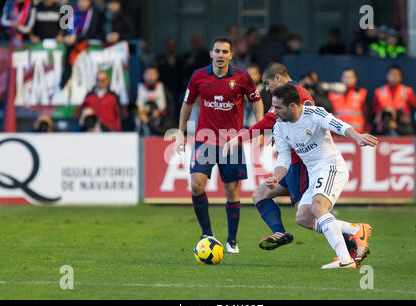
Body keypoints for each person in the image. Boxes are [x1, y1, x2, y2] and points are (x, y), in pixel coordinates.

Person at [223, 63, 361, 263]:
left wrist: (238, 138)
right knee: (262, 194)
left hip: (303, 164)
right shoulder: (286, 99)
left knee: (307, 214)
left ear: (278, 78)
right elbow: (281, 125)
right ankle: (280, 232)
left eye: (267, 83)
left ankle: (352, 239)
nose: (267, 89)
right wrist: (282, 136)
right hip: (291, 162)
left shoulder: (294, 94)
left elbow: (274, 122)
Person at [270, 83, 378, 269]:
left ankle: (345, 259)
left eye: (278, 107)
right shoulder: (279, 127)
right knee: (303, 217)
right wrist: (275, 177)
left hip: (331, 166)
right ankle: (356, 230)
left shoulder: (314, 114)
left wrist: (357, 137)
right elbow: (284, 159)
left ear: (293, 106)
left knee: (318, 207)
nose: (274, 111)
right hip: (315, 173)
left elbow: (339, 125)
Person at [175, 37, 264, 253]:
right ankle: (207, 233)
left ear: (231, 55)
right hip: (204, 139)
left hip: (232, 141)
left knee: (231, 190)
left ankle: (232, 240)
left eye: (225, 51)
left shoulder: (242, 77)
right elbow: (187, 105)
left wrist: (260, 128)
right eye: (217, 51)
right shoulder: (199, 76)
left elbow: (257, 101)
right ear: (211, 54)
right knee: (196, 184)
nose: (221, 55)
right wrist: (179, 132)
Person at [373, 65, 416, 136]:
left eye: (397, 75)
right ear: (387, 76)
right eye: (392, 74)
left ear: (400, 77)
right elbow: (374, 109)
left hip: (403, 126)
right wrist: (383, 110)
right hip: (385, 125)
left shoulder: (407, 91)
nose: (394, 77)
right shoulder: (379, 91)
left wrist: (409, 98)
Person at [135, 65, 175, 135]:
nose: (150, 77)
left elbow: (171, 107)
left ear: (157, 75)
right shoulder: (138, 89)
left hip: (161, 124)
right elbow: (131, 108)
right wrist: (141, 114)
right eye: (148, 74)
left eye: (153, 74)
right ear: (143, 75)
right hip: (142, 124)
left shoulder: (163, 89)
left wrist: (159, 113)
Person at [328, 68, 368, 133]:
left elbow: (367, 115)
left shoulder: (362, 93)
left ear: (355, 79)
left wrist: (367, 131)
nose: (347, 80)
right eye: (345, 77)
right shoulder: (332, 94)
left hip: (357, 134)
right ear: (341, 78)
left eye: (350, 77)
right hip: (336, 134)